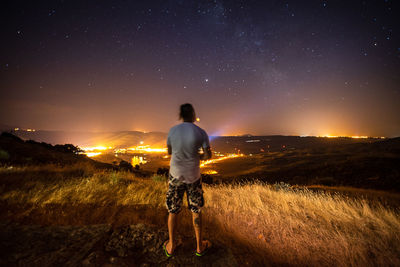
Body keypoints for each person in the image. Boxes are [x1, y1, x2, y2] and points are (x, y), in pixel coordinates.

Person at [163, 103, 212, 257]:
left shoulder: (172, 130)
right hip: (193, 176)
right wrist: (195, 155)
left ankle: (171, 245)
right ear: (192, 114)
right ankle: (199, 247)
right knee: (196, 210)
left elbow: (170, 151)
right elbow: (207, 155)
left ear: (181, 115)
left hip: (176, 175)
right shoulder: (201, 132)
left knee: (173, 210)